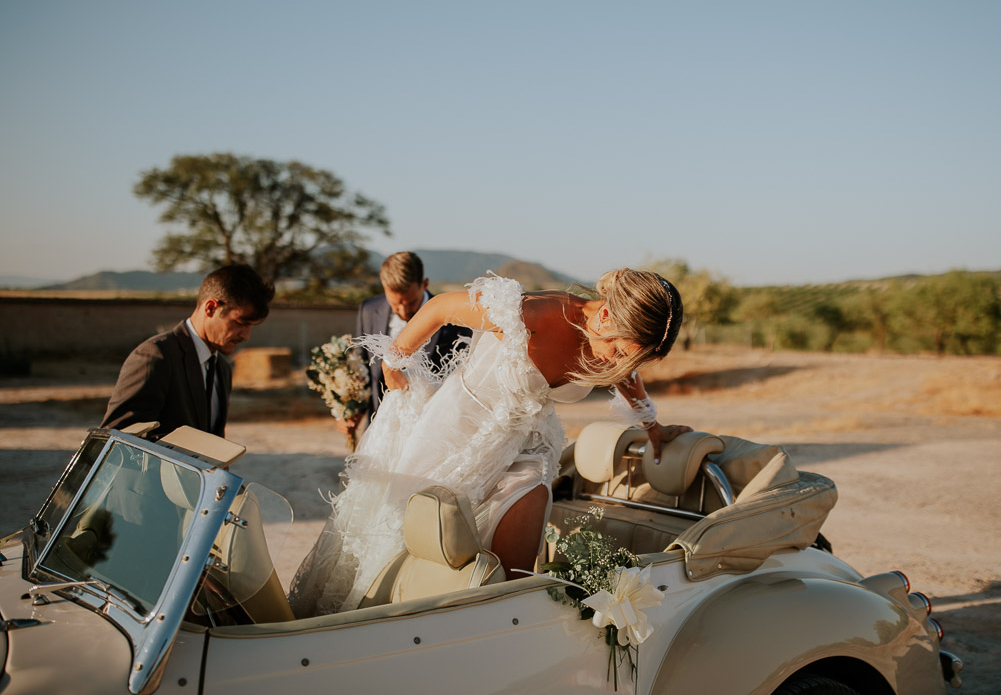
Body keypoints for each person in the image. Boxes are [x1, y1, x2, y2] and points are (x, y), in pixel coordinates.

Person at [288, 269, 690, 617]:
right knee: (406, 529)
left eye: (628, 358)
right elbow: (441, 307)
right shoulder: (529, 312)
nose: (615, 363)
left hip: (528, 441)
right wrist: (394, 359)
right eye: (617, 351)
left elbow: (626, 375)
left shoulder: (616, 349)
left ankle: (500, 621)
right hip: (460, 428)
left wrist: (654, 429)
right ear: (604, 314)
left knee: (523, 527)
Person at [101, 263, 274, 439]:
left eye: (252, 326)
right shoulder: (155, 356)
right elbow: (117, 440)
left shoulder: (222, 368)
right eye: (240, 323)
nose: (246, 336)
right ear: (211, 308)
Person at [339, 251, 471, 441]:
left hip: (430, 435)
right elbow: (362, 369)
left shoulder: (453, 321)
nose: (403, 311)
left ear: (424, 284)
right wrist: (351, 409)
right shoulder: (368, 310)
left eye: (410, 303)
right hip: (378, 432)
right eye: (395, 304)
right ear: (384, 287)